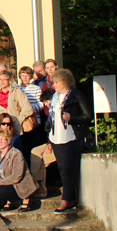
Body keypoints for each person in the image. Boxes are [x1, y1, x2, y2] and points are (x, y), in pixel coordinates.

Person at [46, 68, 90, 214]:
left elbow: (87, 116)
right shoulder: (55, 97)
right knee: (62, 168)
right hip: (56, 137)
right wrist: (48, 140)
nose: (54, 86)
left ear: (64, 82)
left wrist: (72, 119)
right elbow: (51, 119)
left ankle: (65, 200)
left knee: (68, 169)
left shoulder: (76, 95)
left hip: (71, 137)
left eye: (56, 82)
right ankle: (70, 199)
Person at [0, 127, 36, 212]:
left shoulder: (16, 154)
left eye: (2, 139)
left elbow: (16, 177)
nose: (0, 141)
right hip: (5, 182)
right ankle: (10, 201)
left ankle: (25, 199)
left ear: (8, 140)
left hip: (18, 184)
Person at [0, 70, 36, 164]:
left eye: (4, 79)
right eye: (0, 79)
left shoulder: (16, 91)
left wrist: (18, 120)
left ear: (9, 80)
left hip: (14, 127)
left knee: (17, 153)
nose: (2, 82)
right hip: (1, 128)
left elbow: (28, 108)